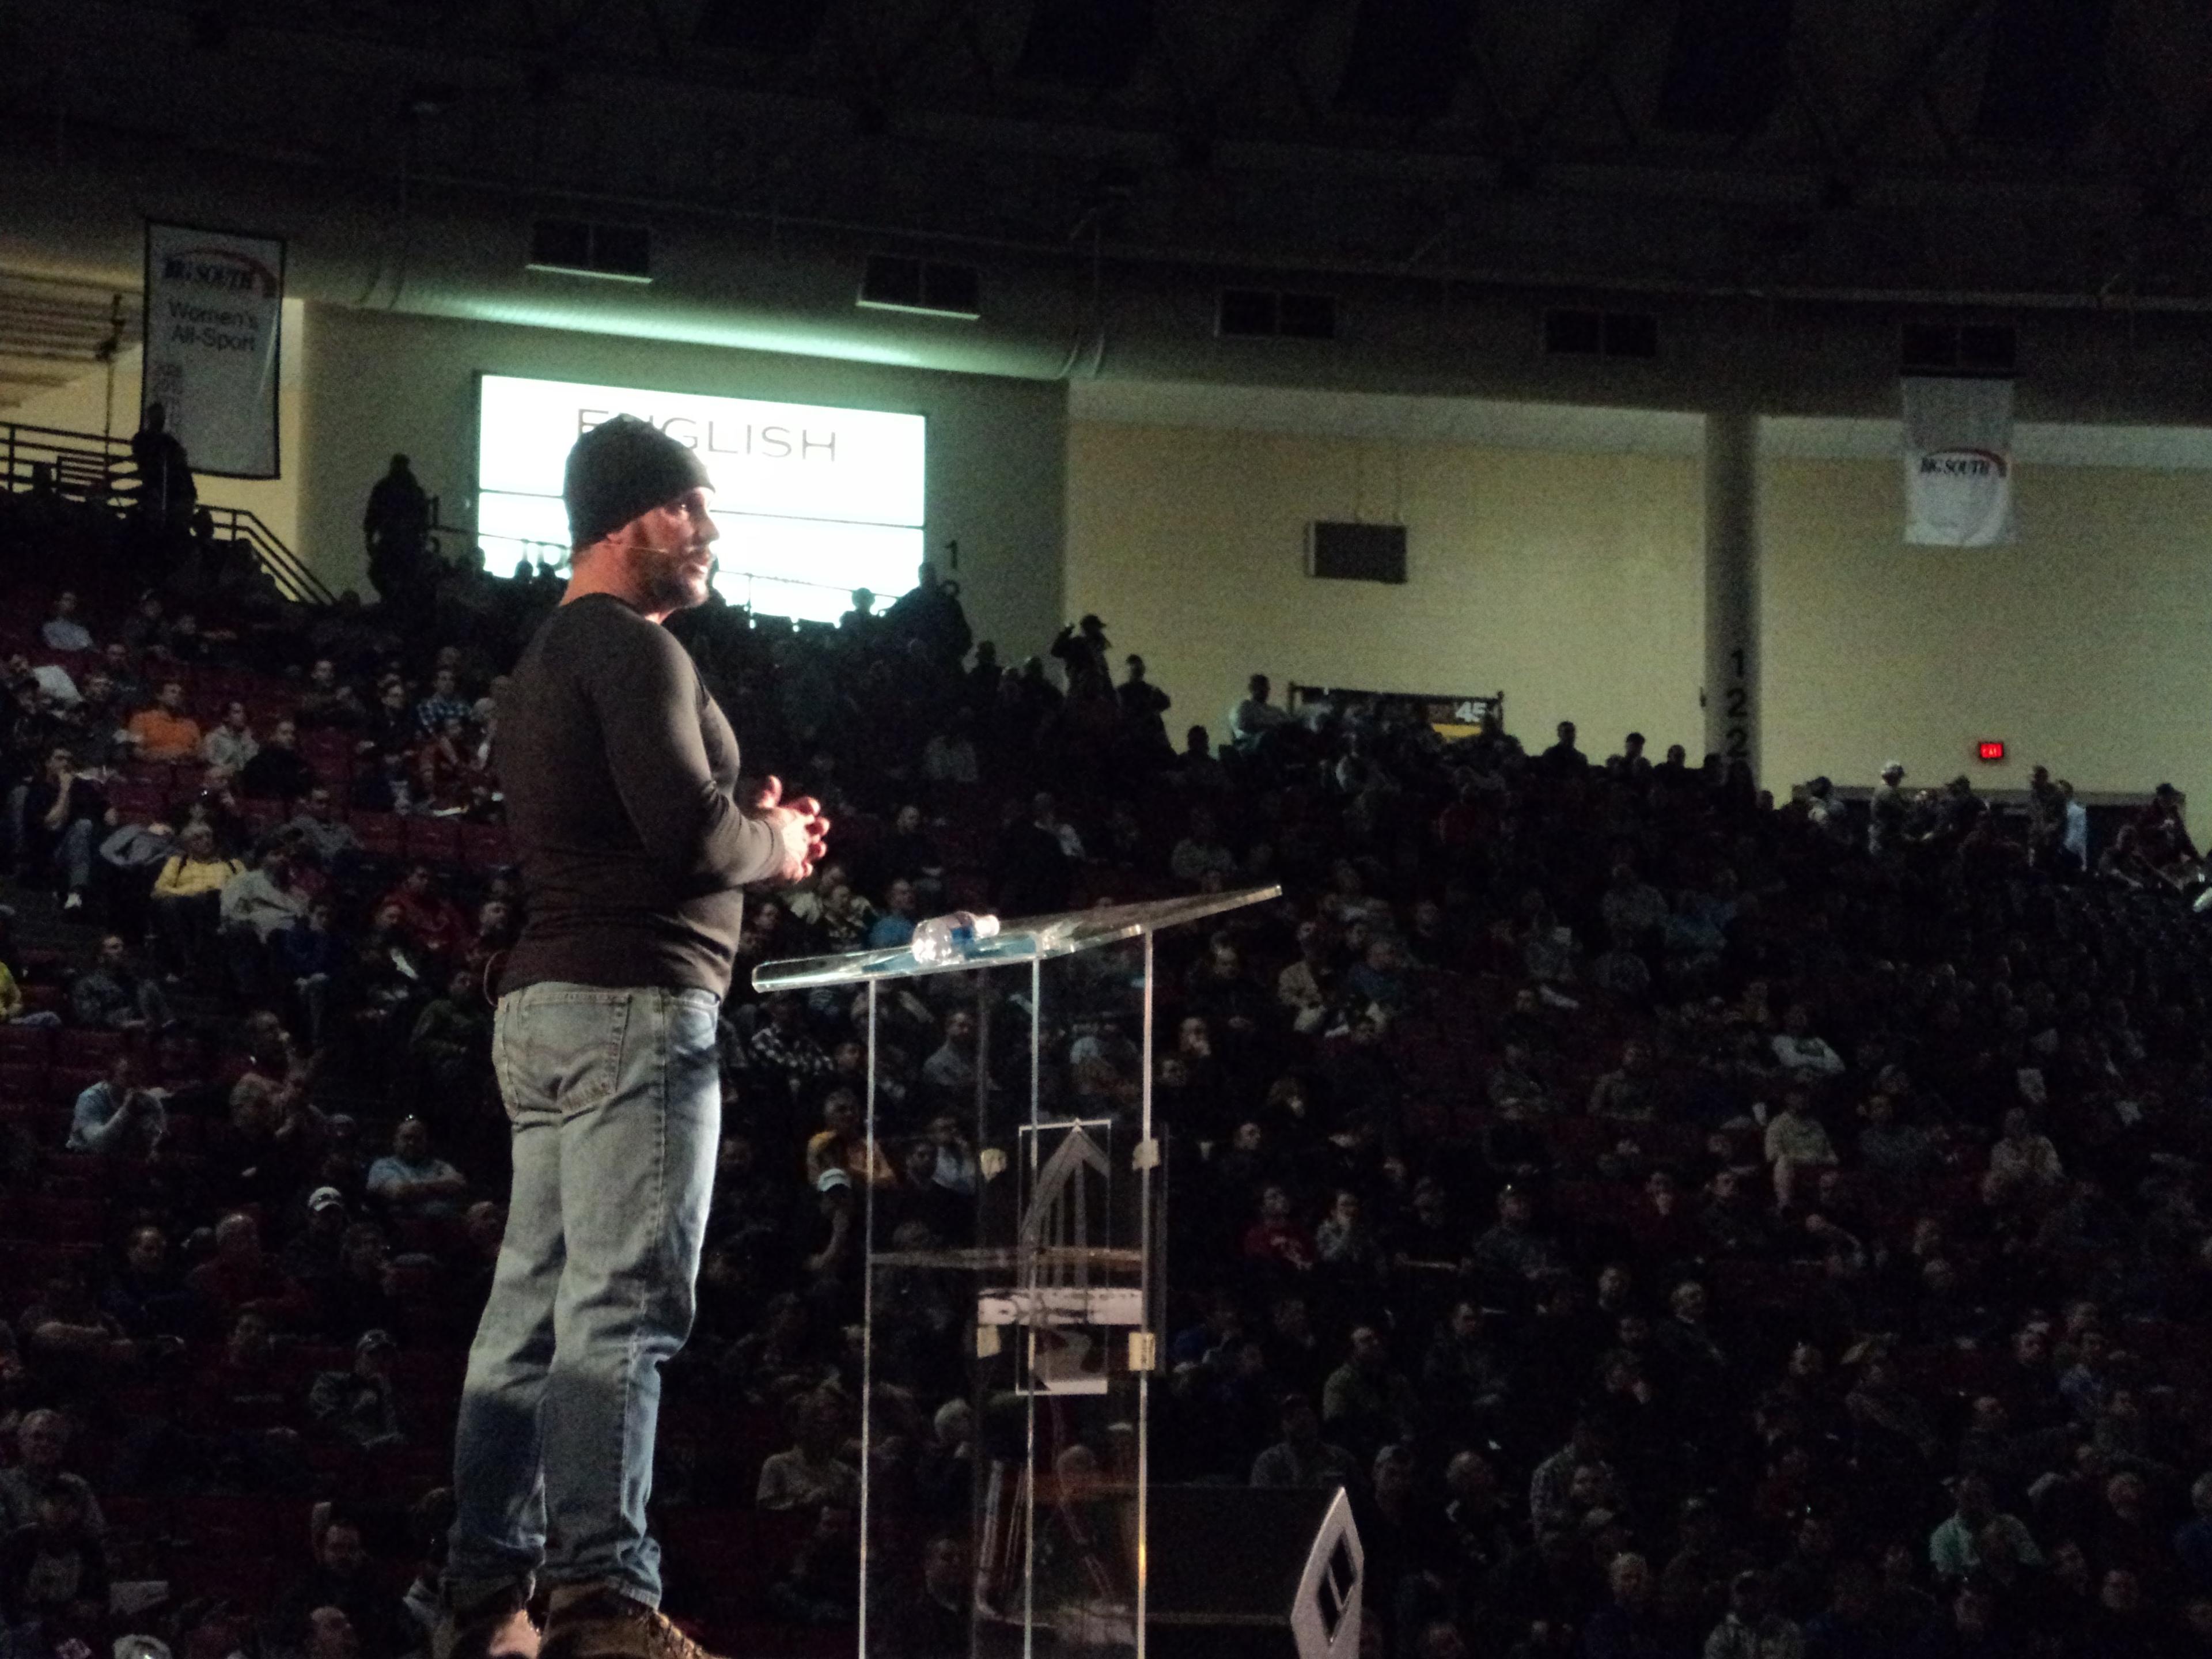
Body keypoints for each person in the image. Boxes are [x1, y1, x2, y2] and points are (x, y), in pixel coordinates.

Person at [440, 414, 827, 1659]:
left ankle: (486, 1596)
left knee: (528, 1322)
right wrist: (778, 846)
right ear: (620, 521)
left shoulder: (546, 660)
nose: (708, 532)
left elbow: (646, 819)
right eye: (687, 508)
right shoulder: (636, 651)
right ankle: (602, 1596)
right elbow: (691, 842)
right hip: (634, 1009)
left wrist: (734, 824)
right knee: (622, 1312)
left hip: (547, 1010)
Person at [364, 455, 433, 604]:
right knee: (389, 575)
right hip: (401, 542)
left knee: (390, 575)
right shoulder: (411, 490)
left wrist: (369, 538)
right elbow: (373, 515)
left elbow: (372, 515)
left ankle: (396, 602)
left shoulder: (387, 489)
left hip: (401, 542)